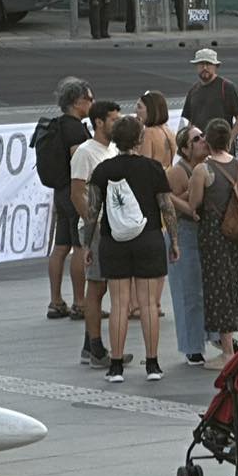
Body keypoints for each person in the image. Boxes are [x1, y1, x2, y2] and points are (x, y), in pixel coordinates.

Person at [88, 115, 172, 382]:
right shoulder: (153, 168)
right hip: (148, 238)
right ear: (140, 139)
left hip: (114, 242)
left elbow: (92, 211)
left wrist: (88, 244)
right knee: (148, 304)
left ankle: (115, 366)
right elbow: (166, 207)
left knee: (119, 305)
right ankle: (153, 365)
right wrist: (175, 241)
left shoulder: (102, 170)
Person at [187, 120, 238, 358]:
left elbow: (194, 203)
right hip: (236, 231)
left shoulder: (203, 170)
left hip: (213, 233)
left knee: (217, 290)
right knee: (231, 287)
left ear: (208, 141)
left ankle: (228, 352)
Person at [70, 98, 119, 368]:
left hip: (111, 225)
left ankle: (89, 345)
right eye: (113, 119)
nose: (117, 123)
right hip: (97, 227)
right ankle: (96, 347)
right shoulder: (85, 152)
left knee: (103, 286)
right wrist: (92, 225)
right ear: (99, 122)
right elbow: (77, 193)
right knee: (97, 286)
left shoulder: (112, 149)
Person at [41, 78, 93, 321]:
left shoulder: (58, 125)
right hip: (74, 192)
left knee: (60, 246)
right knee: (79, 246)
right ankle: (80, 303)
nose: (92, 103)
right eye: (89, 99)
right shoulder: (75, 129)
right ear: (77, 102)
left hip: (60, 192)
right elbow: (78, 162)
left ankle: (55, 301)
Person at [167, 124, 210, 368]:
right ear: (185, 149)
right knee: (188, 293)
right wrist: (192, 193)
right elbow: (170, 204)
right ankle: (192, 346)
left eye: (203, 136)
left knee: (210, 289)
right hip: (184, 233)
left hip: (205, 233)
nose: (203, 140)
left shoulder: (207, 165)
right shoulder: (178, 171)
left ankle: (216, 336)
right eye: (196, 139)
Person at [183, 47, 238, 137]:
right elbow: (191, 122)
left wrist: (229, 140)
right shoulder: (193, 91)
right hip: (200, 144)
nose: (204, 67)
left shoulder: (227, 87)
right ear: (196, 66)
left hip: (221, 144)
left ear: (216, 66)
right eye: (201, 64)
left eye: (208, 64)